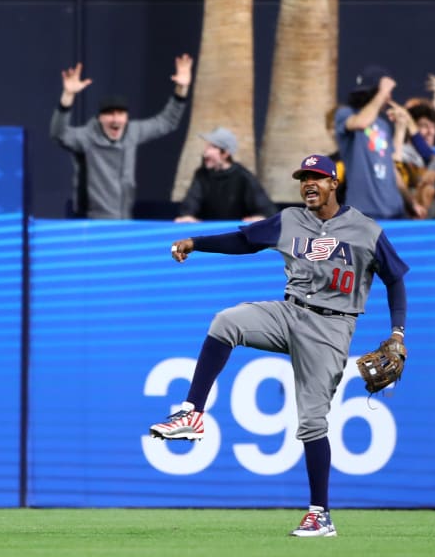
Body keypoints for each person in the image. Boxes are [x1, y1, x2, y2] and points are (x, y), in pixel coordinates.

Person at [149, 154, 409, 538]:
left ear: (333, 183)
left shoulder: (365, 229)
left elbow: (395, 279)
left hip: (332, 327)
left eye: (317, 178)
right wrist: (195, 242)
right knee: (226, 321)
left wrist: (397, 333)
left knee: (311, 422)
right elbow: (243, 240)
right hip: (289, 312)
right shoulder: (290, 220)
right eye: (304, 177)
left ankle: (321, 515)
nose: (309, 183)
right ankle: (191, 413)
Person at [50, 55, 192, 219]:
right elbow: (58, 134)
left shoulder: (133, 131)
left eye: (121, 114)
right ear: (100, 118)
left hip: (123, 219)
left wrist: (181, 89)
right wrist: (67, 96)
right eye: (110, 114)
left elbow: (167, 122)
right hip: (90, 221)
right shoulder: (87, 137)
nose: (116, 119)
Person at [334, 66, 412, 219]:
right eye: (387, 92)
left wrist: (401, 128)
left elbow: (392, 164)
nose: (389, 97)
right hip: (364, 211)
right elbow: (361, 123)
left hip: (393, 210)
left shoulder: (383, 125)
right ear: (374, 92)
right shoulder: (346, 114)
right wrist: (382, 92)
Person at [175, 127, 276, 222]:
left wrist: (261, 217)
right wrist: (187, 216)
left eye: (212, 147)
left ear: (225, 153)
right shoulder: (201, 174)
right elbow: (191, 203)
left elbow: (267, 210)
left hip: (235, 235)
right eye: (207, 147)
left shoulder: (243, 177)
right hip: (206, 235)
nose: (206, 152)